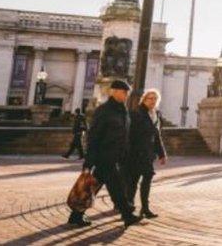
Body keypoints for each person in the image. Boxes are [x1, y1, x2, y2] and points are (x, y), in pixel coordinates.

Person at [67, 79, 141, 228]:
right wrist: (88, 161)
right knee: (116, 187)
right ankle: (127, 214)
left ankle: (76, 215)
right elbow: (94, 136)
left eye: (127, 92)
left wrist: (126, 153)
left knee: (93, 186)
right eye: (123, 92)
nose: (126, 95)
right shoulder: (104, 111)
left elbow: (125, 134)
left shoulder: (123, 111)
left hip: (116, 156)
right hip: (104, 156)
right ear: (113, 92)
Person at [126, 88, 167, 219]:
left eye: (155, 99)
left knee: (147, 178)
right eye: (150, 98)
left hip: (148, 154)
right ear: (144, 99)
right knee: (133, 181)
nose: (153, 101)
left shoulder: (156, 114)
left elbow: (157, 136)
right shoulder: (136, 113)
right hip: (135, 153)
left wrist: (162, 154)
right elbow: (129, 134)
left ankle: (145, 208)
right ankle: (129, 208)